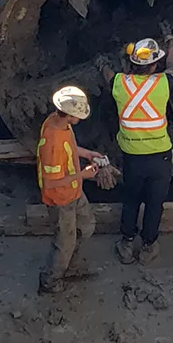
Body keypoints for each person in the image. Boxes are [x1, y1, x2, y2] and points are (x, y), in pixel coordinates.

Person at [112, 37, 173, 265]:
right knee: (154, 203)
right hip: (161, 157)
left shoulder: (119, 84)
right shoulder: (163, 84)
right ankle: (148, 246)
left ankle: (127, 243)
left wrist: (103, 64)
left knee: (130, 200)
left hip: (133, 157)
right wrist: (171, 45)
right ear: (153, 66)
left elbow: (108, 76)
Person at [38, 85, 106, 293]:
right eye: (78, 115)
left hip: (74, 192)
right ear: (68, 115)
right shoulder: (51, 144)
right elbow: (50, 183)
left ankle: (70, 266)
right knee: (64, 244)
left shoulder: (57, 122)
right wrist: (83, 175)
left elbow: (70, 147)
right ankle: (50, 282)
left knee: (86, 226)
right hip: (60, 200)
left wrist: (88, 153)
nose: (80, 119)